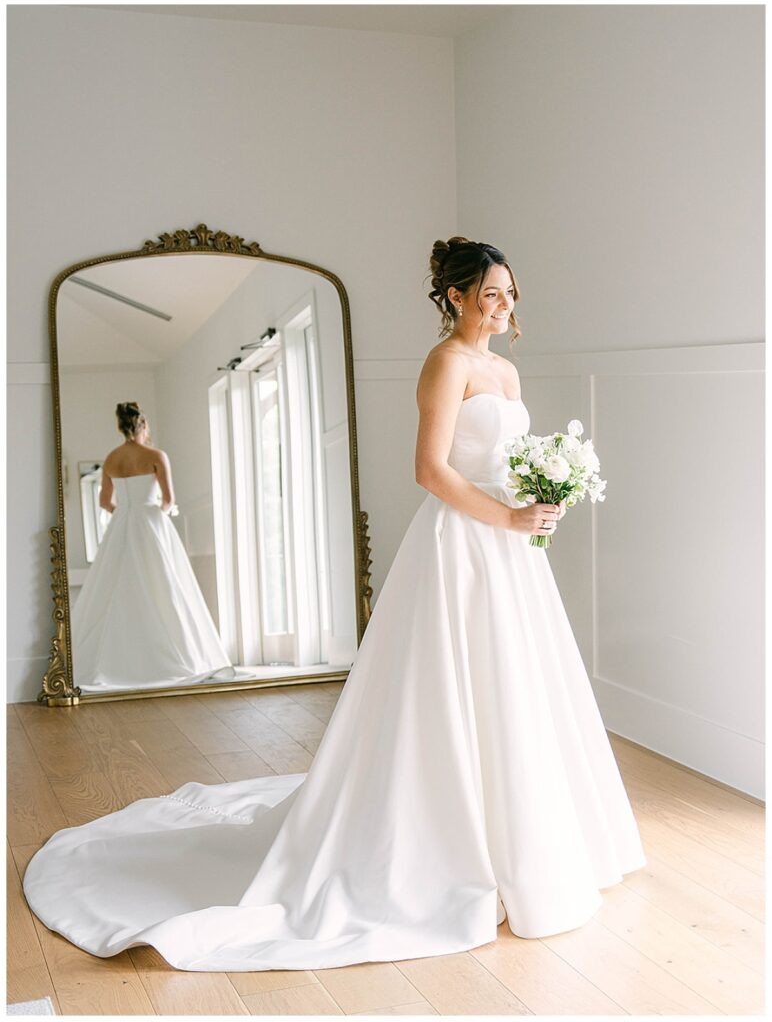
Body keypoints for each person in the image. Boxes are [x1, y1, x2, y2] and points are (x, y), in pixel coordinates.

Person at [23, 239, 646, 971]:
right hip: (463, 546)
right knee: (451, 692)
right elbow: (429, 469)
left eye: (510, 292)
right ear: (453, 297)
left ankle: (532, 838)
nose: (504, 305)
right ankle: (445, 844)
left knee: (519, 687)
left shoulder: (506, 370)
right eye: (490, 293)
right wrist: (504, 517)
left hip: (511, 552)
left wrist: (540, 498)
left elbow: (504, 460)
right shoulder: (446, 363)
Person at [70, 402, 234, 692]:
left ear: (120, 427)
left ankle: (111, 662)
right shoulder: (156, 455)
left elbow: (105, 502)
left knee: (116, 585)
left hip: (122, 525)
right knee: (165, 585)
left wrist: (126, 512)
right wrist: (153, 511)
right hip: (152, 524)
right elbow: (168, 499)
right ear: (143, 424)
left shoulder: (111, 459)